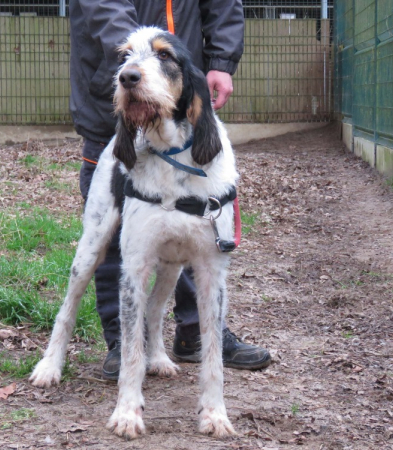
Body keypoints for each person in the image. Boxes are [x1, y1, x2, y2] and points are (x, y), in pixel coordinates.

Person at [69, 0, 271, 380]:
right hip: (113, 93)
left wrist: (221, 61)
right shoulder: (134, 64)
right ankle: (123, 341)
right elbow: (103, 9)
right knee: (116, 242)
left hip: (180, 87)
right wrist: (138, 61)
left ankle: (195, 333)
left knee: (196, 222)